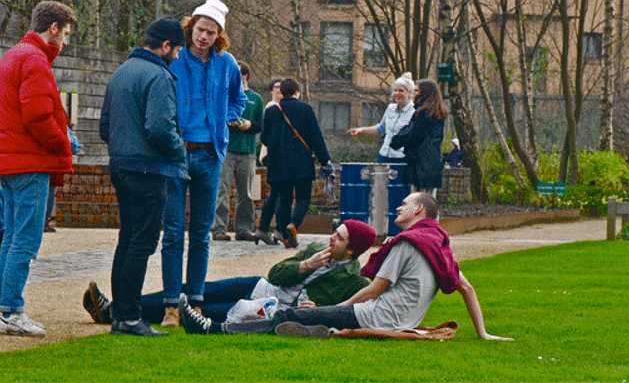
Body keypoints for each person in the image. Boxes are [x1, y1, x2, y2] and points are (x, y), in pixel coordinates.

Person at [178, 192, 513, 341]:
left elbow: (373, 291)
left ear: (420, 211)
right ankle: (313, 329)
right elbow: (466, 288)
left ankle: (215, 329)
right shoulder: (439, 244)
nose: (400, 206)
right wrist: (482, 334)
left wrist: (338, 308)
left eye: (406, 203)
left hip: (375, 317)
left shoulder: (410, 242)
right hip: (398, 320)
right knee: (298, 317)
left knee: (287, 316)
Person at [83, 219, 376, 324]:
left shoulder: (351, 279)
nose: (331, 239)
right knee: (192, 291)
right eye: (334, 233)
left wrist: (317, 307)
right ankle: (119, 310)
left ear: (352, 250)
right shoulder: (314, 252)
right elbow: (275, 273)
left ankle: (116, 313)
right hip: (261, 287)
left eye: (339, 238)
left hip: (270, 308)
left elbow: (343, 311)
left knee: (200, 311)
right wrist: (303, 266)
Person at [99, 16, 187, 337]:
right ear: (164, 46)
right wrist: (180, 153)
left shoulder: (120, 72)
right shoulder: (160, 77)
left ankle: (121, 315)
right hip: (149, 170)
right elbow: (160, 129)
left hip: (120, 166)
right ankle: (130, 318)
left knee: (128, 239)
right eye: (176, 49)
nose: (177, 56)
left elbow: (104, 128)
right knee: (143, 243)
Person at [160, 0, 247, 328]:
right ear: (191, 27)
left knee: (201, 234)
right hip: (176, 153)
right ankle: (170, 305)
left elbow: (238, 97)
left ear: (219, 35)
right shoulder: (175, 58)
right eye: (200, 30)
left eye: (211, 32)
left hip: (210, 155)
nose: (203, 37)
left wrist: (227, 118)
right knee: (172, 232)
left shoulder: (227, 64)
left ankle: (194, 303)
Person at [0, 1, 77, 338]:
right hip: (30, 162)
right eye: (67, 34)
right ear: (54, 28)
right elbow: (38, 116)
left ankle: (4, 306)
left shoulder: (14, 54)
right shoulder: (35, 59)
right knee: (26, 241)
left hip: (10, 160)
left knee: (11, 237)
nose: (66, 42)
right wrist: (63, 144)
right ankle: (11, 309)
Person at [260, 78, 332, 248]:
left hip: (278, 164)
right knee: (303, 198)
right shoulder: (305, 109)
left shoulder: (271, 111)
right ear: (297, 92)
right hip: (301, 163)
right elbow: (316, 137)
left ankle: (286, 237)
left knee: (284, 199)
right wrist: (325, 160)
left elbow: (264, 138)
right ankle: (293, 225)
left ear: (282, 93)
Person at [211, 61, 267, 243]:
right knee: (222, 190)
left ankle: (243, 229)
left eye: (238, 75)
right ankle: (219, 228)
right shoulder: (223, 96)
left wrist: (250, 125)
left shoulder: (256, 99)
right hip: (226, 150)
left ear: (245, 76)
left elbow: (262, 126)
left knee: (246, 193)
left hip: (248, 151)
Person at [390, 79, 448, 198]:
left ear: (424, 93)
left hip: (420, 164)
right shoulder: (436, 114)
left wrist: (396, 140)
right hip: (432, 163)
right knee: (429, 200)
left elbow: (414, 135)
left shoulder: (422, 114)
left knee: (418, 201)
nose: (413, 93)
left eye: (416, 90)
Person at [346, 72, 416, 163]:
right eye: (395, 90)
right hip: (384, 156)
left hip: (402, 158)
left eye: (401, 91)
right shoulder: (390, 108)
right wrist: (362, 130)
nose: (397, 93)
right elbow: (380, 129)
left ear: (410, 93)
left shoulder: (414, 112)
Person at [253, 78, 283, 245]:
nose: (279, 91)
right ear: (271, 91)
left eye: (281, 88)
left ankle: (265, 228)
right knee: (279, 194)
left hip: (276, 155)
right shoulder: (272, 107)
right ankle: (272, 228)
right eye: (276, 88)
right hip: (274, 155)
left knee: (276, 193)